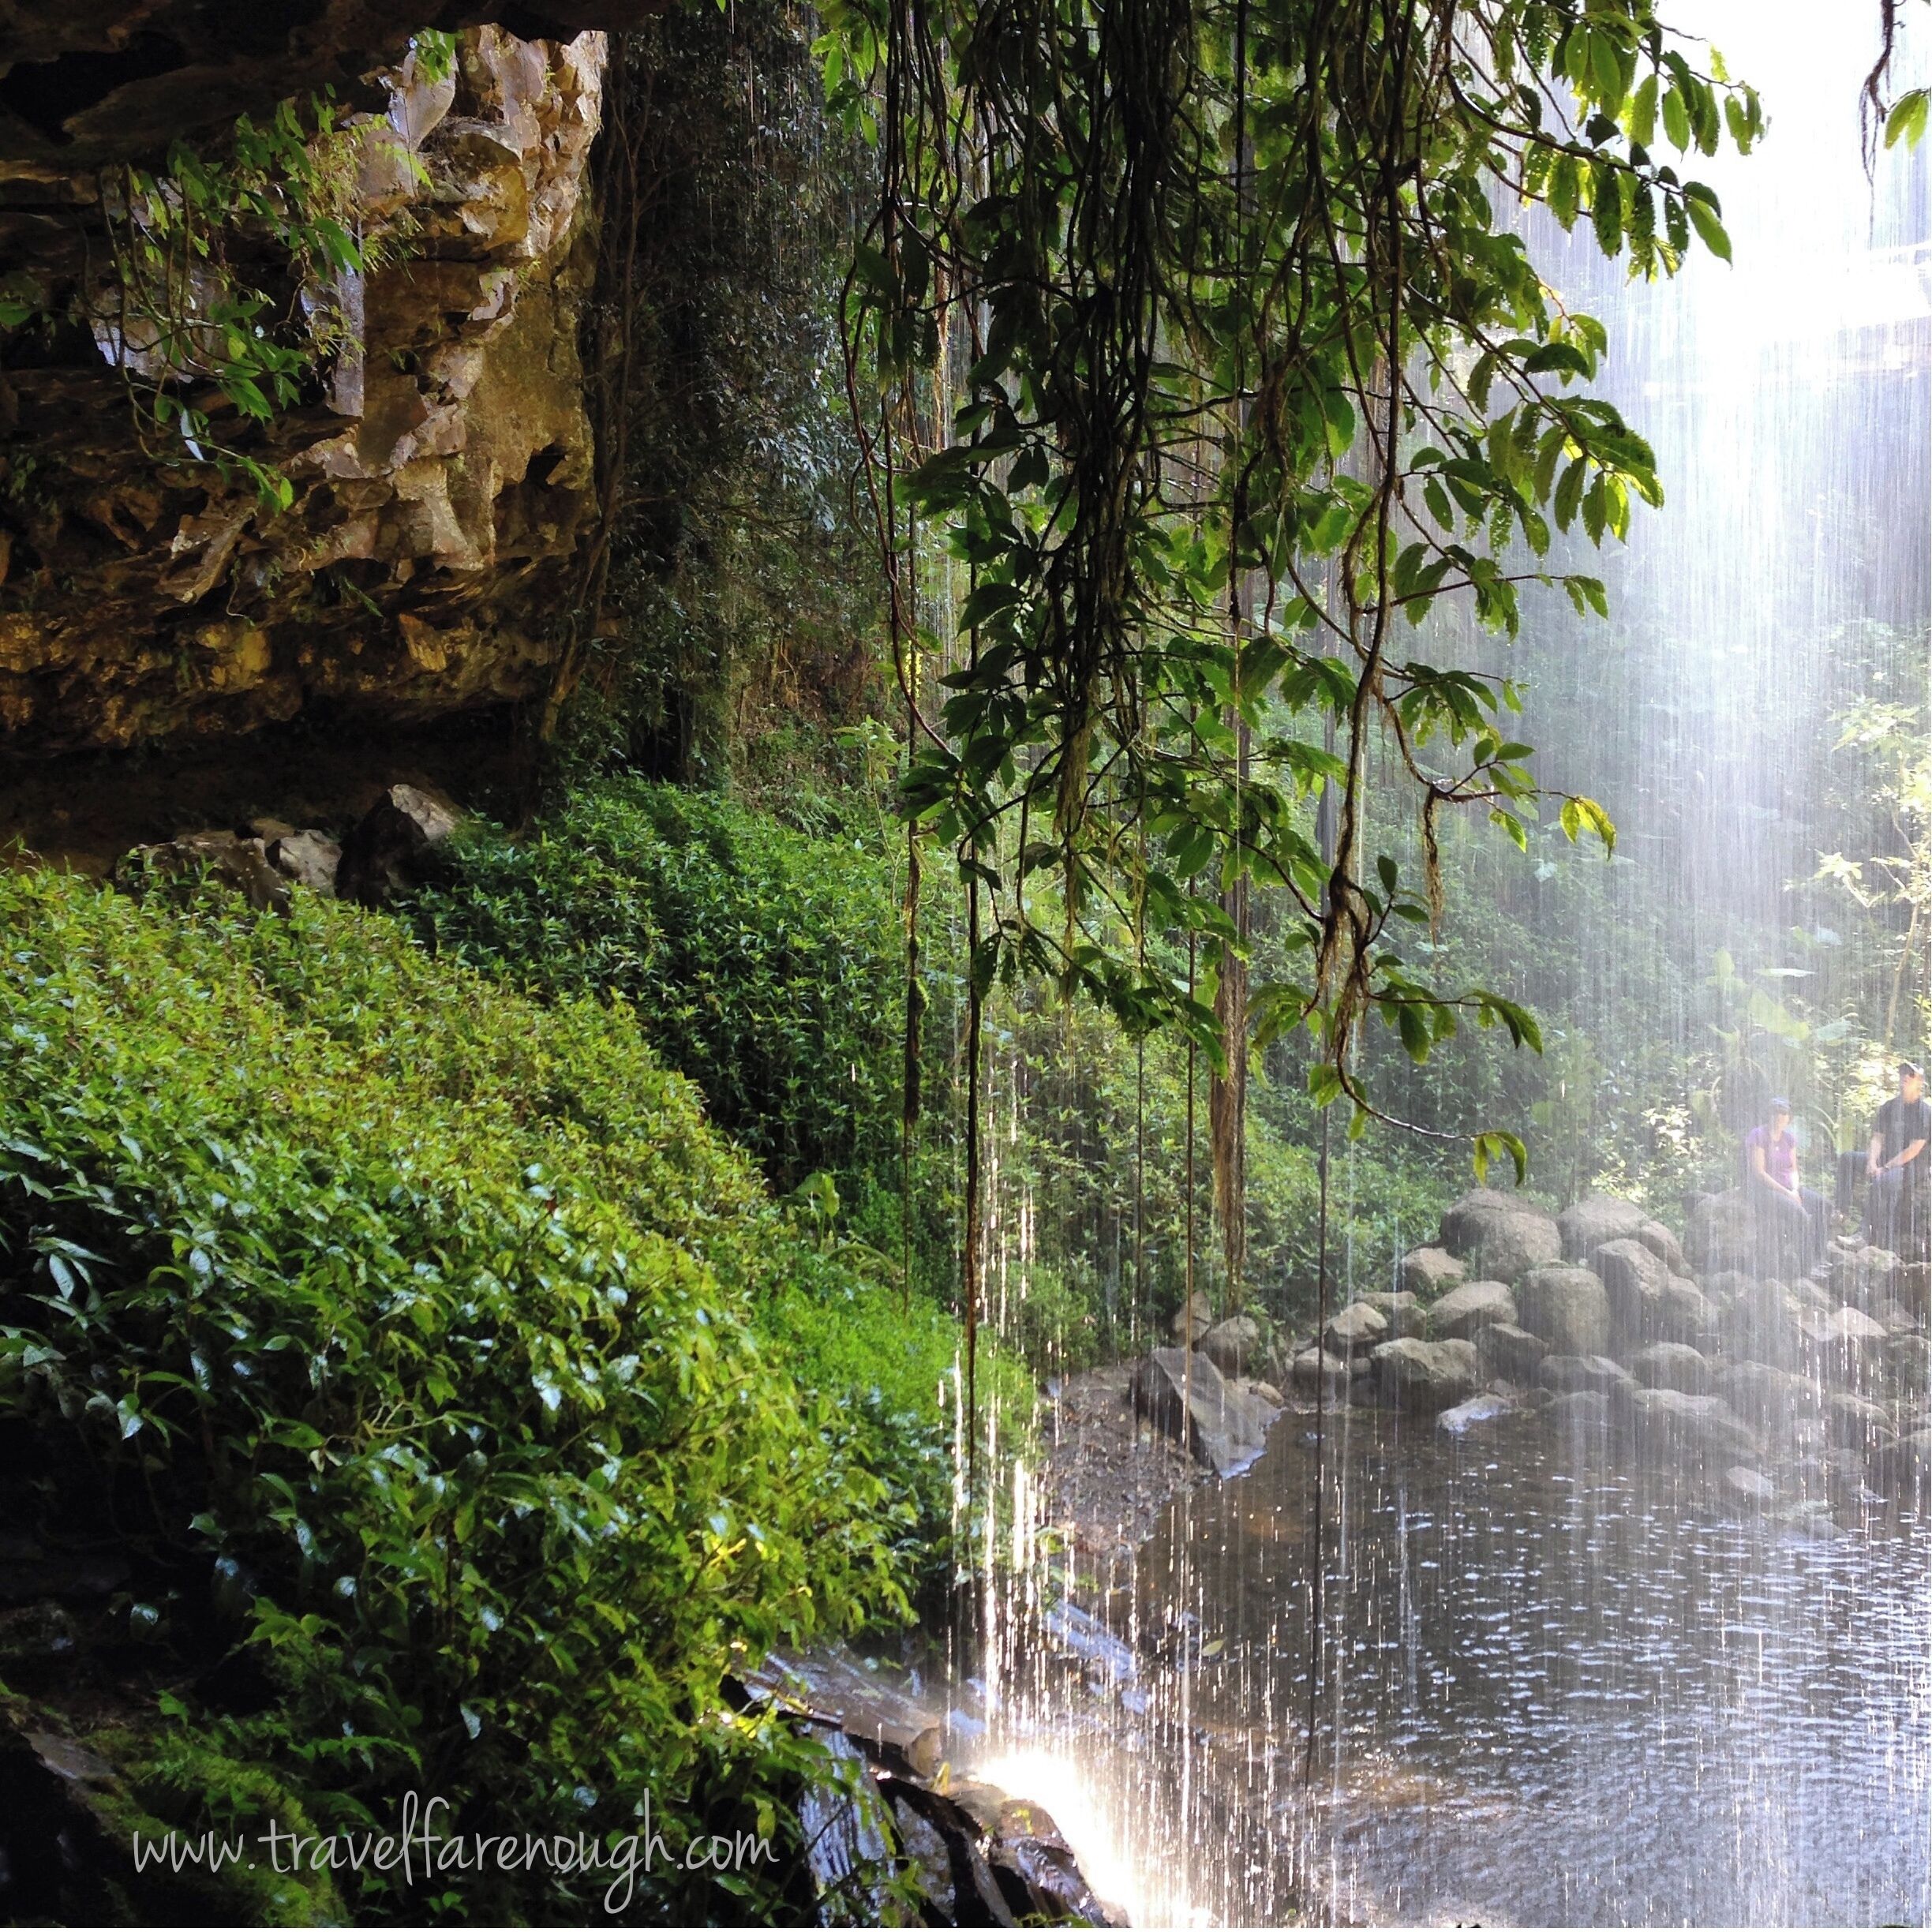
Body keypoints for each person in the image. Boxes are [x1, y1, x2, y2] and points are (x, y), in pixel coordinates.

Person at [1744, 1097, 1829, 1271]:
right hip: (1765, 1190)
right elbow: (1759, 1172)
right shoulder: (1758, 1135)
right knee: (1802, 1216)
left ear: (1789, 1118)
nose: (1779, 1116)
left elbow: (1793, 1169)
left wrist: (1796, 1189)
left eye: (1783, 1113)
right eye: (1776, 1112)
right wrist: (1787, 1193)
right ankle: (1808, 1267)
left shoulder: (1789, 1139)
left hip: (1789, 1188)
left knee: (1823, 1205)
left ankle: (1820, 1258)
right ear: (1769, 1114)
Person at [1865, 1061, 1930, 1260]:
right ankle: (1839, 1215)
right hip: (1885, 1162)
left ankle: (1869, 1236)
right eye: (1902, 1072)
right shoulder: (1889, 1107)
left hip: (1912, 1167)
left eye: (1910, 1074)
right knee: (1847, 1160)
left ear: (1920, 1082)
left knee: (1882, 1182)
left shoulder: (1924, 1112)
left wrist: (1885, 1168)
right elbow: (1877, 1138)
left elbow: (1914, 1149)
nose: (1904, 1077)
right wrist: (1871, 1162)